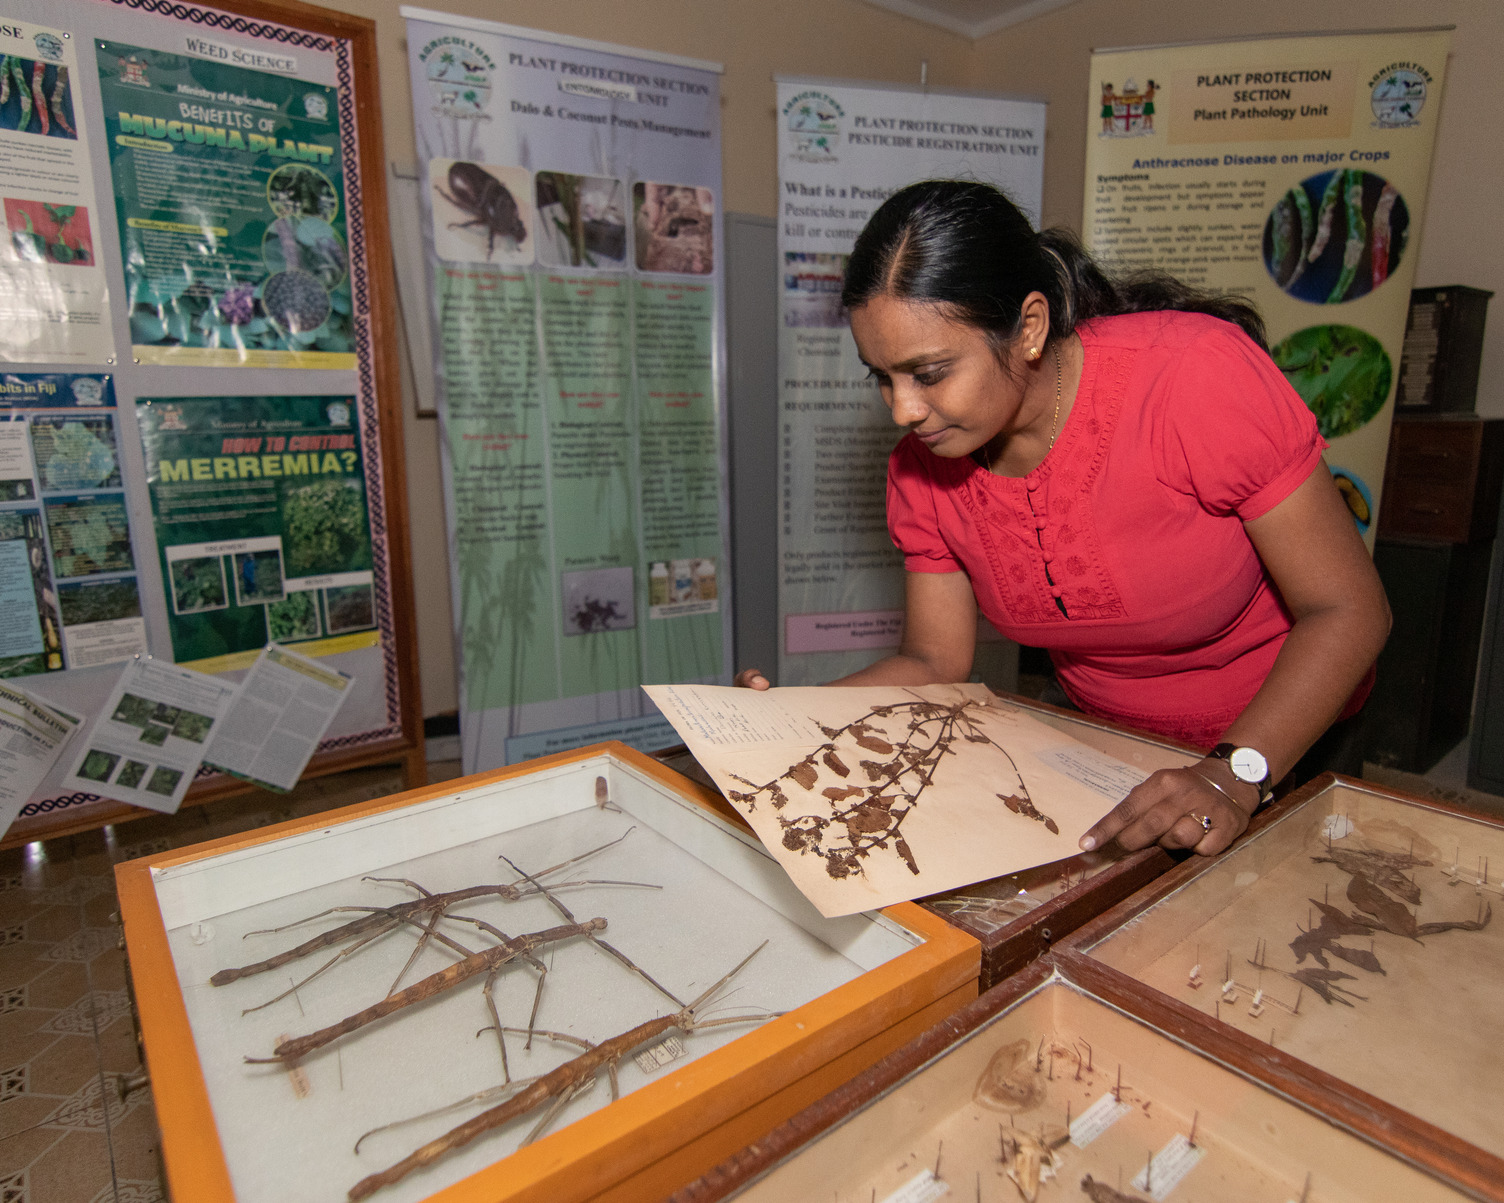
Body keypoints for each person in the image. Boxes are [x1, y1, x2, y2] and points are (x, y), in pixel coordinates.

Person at [736, 180, 1391, 859]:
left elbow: (1348, 609)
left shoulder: (1194, 378)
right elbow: (934, 659)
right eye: (881, 375)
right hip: (1100, 751)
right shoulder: (920, 470)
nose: (902, 409)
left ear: (1029, 327)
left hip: (1277, 744)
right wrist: (788, 716)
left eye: (928, 372)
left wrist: (1233, 775)